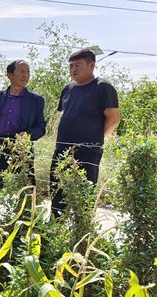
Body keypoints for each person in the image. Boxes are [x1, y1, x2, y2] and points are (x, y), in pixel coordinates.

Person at [50, 48, 119, 216]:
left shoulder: (103, 87)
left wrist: (96, 136)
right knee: (57, 193)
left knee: (83, 199)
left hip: (88, 152)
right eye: (71, 66)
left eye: (77, 65)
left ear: (91, 65)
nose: (73, 69)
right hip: (62, 150)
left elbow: (113, 118)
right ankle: (54, 236)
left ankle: (82, 237)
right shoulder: (68, 88)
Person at [0, 59, 46, 187]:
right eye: (21, 71)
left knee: (25, 190)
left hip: (22, 150)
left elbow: (41, 127)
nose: (25, 75)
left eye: (28, 72)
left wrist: (27, 135)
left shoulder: (36, 100)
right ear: (10, 75)